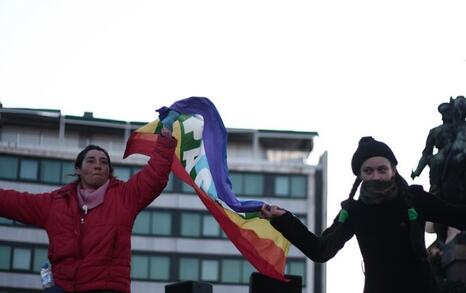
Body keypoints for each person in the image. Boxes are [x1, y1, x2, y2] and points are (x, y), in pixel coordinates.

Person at [261, 136, 466, 293]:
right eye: (368, 171)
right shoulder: (354, 212)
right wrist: (283, 219)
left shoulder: (415, 199)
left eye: (382, 169)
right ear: (360, 175)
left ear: (393, 170)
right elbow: (320, 250)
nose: (376, 176)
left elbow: (457, 217)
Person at [0, 122, 176, 292]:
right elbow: (14, 202)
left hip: (107, 289)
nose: (98, 165)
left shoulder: (125, 197)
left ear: (109, 171)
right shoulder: (55, 203)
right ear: (78, 169)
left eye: (104, 162)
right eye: (91, 161)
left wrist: (166, 135)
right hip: (63, 288)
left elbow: (155, 175)